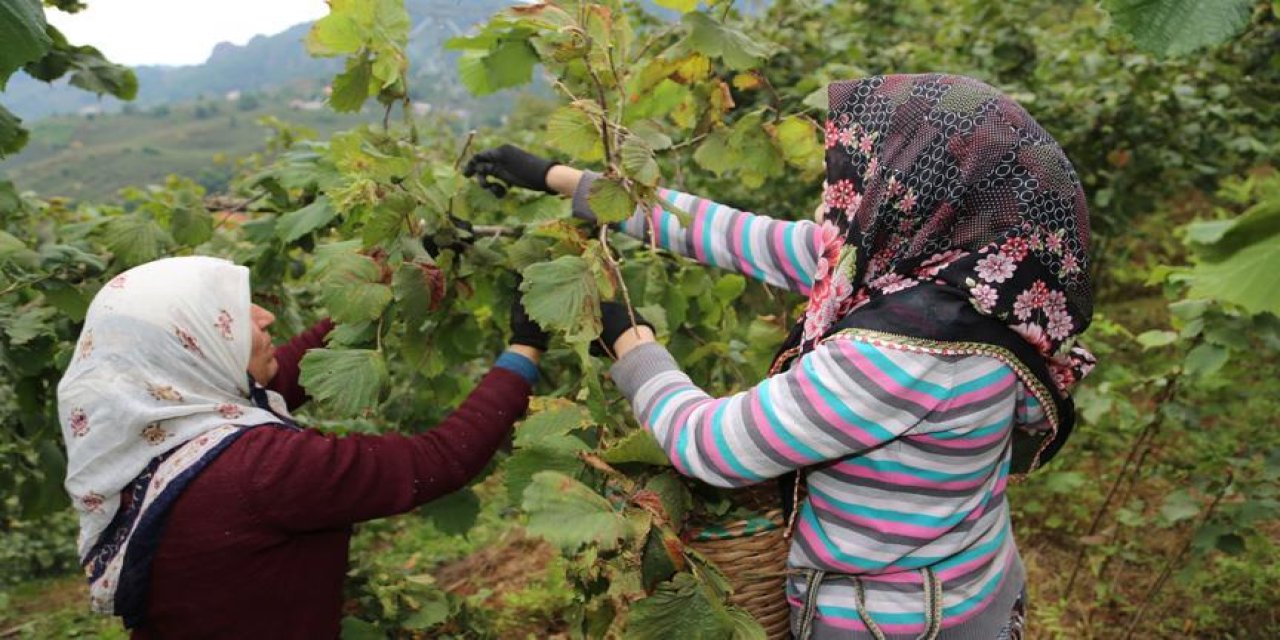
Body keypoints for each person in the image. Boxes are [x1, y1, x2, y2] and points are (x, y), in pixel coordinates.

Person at [467, 74, 1095, 639]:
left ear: (916, 190)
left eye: (877, 166)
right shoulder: (983, 281)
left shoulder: (903, 356)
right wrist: (562, 178)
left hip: (893, 621)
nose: (853, 182)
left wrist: (631, 344)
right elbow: (735, 236)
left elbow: (713, 447)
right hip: (977, 583)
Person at [57, 255, 548, 637]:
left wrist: (389, 276)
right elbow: (438, 460)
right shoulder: (262, 470)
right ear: (195, 345)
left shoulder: (150, 427)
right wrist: (524, 349)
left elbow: (285, 374)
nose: (266, 317)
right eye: (230, 316)